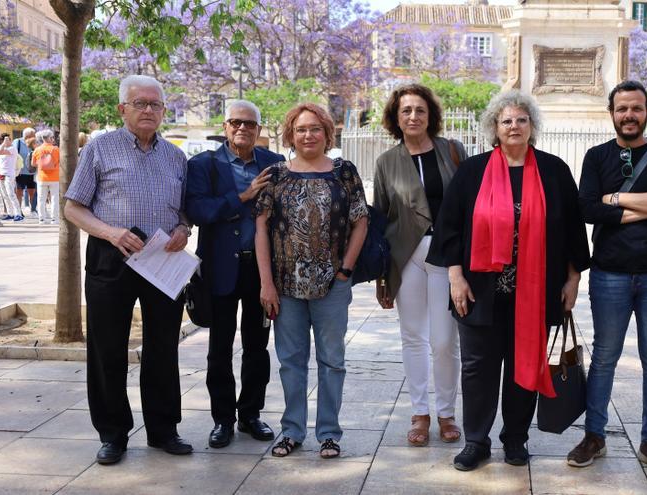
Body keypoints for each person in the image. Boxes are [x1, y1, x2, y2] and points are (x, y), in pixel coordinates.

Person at [427, 90, 590, 471]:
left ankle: (515, 438)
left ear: (532, 127)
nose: (514, 126)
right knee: (478, 369)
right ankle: (476, 441)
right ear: (494, 130)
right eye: (506, 121)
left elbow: (571, 231)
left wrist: (573, 279)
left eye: (521, 120)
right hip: (480, 290)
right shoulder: (473, 172)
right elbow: (449, 228)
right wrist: (455, 277)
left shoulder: (554, 171)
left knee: (525, 364)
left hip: (536, 290)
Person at [64, 75, 193, 465]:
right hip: (111, 257)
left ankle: (163, 429)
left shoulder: (175, 156)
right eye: (140, 103)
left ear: (164, 111)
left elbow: (185, 210)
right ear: (122, 109)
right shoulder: (100, 149)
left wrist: (184, 229)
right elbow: (73, 207)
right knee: (107, 349)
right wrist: (111, 233)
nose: (149, 110)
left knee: (163, 347)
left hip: (162, 259)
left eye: (156, 104)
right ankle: (113, 434)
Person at [569, 80, 647, 476]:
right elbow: (586, 207)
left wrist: (615, 198)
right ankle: (594, 434)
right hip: (610, 273)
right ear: (612, 113)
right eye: (622, 109)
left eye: (636, 108)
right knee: (604, 357)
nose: (629, 116)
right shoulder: (596, 155)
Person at [256, 103, 368, 460]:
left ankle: (329, 434)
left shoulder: (344, 172)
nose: (308, 135)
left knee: (332, 360)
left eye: (315, 129)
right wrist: (266, 284)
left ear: (326, 133)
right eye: (301, 129)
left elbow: (360, 221)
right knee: (291, 361)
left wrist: (346, 270)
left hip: (332, 285)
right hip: (285, 286)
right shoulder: (275, 174)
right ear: (291, 134)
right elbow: (260, 229)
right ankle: (291, 431)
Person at [186, 100, 285, 448]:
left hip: (260, 271)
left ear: (259, 129)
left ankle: (251, 414)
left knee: (257, 347)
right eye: (235, 123)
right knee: (220, 348)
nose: (242, 128)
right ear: (225, 127)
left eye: (249, 124)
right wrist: (243, 195)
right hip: (220, 269)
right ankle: (222, 419)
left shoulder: (274, 165)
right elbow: (198, 210)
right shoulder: (203, 165)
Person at [373, 84, 466, 447]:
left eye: (420, 110)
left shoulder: (453, 151)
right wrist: (383, 277)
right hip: (405, 257)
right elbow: (380, 218)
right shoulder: (386, 161)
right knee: (413, 338)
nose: (413, 117)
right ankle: (420, 414)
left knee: (444, 340)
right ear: (396, 118)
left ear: (431, 116)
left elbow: (469, 203)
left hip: (447, 256)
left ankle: (447, 413)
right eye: (406, 111)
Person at [31, 129, 60, 224]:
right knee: (54, 198)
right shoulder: (56, 149)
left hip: (42, 177)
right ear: (50, 138)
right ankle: (54, 219)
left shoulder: (37, 149)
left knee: (41, 198)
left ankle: (41, 219)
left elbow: (33, 164)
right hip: (55, 177)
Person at [0, 134, 24, 221]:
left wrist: (5, 143)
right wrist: (3, 143)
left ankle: (18, 214)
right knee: (4, 195)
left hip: (9, 174)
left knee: (11, 194)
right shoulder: (2, 147)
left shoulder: (13, 148)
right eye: (1, 141)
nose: (3, 142)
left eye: (5, 140)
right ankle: (10, 213)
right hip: (1, 173)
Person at [14, 128, 37, 217]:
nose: (34, 136)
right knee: (19, 191)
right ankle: (18, 211)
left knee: (32, 192)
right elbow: (14, 155)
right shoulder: (18, 142)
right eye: (33, 135)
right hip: (21, 172)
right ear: (27, 135)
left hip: (32, 172)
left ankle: (33, 210)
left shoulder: (34, 142)